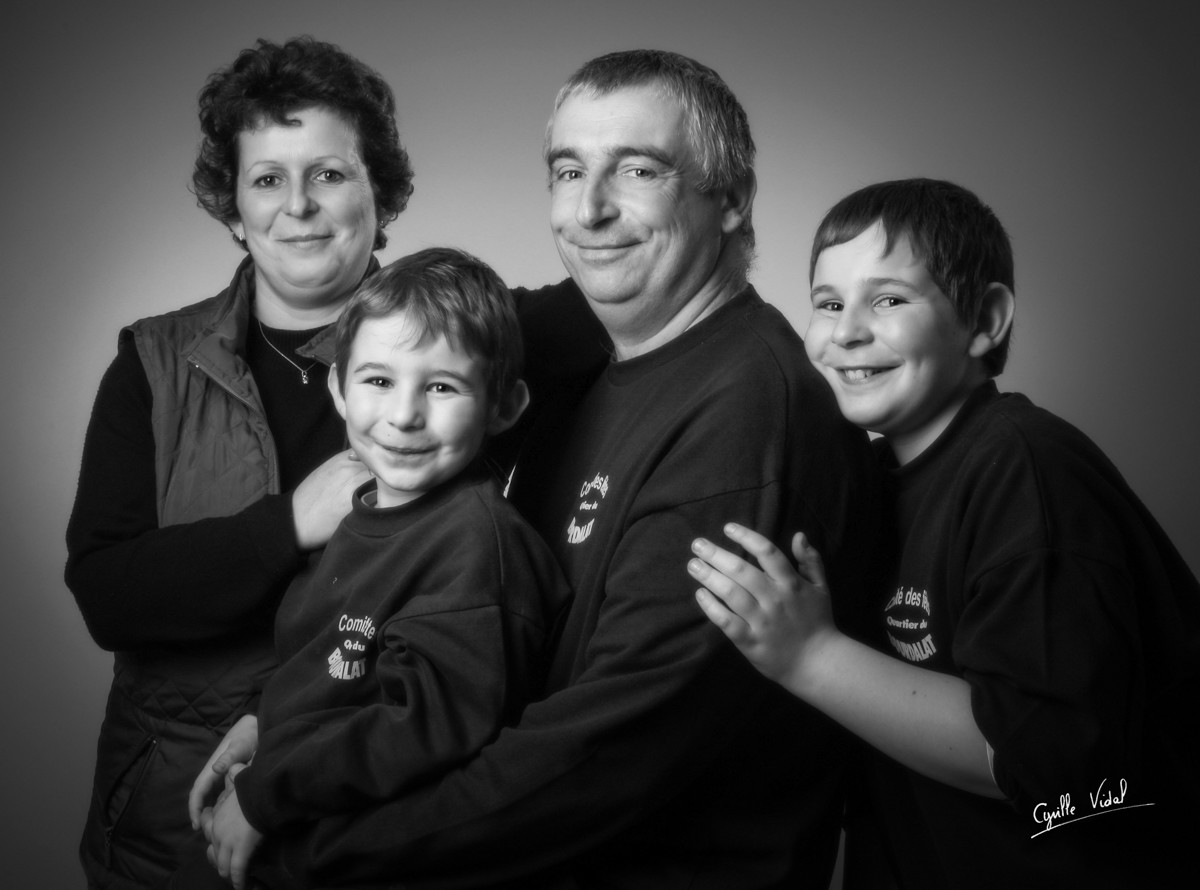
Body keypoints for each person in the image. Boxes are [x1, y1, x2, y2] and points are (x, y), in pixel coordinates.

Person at [199, 49, 882, 889]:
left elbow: (606, 759)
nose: (589, 210)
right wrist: (282, 723)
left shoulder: (744, 419)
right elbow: (438, 621)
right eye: (568, 171)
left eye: (638, 169)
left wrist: (303, 847)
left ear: (732, 198)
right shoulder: (598, 364)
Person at [690, 178, 1200, 888]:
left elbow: (1046, 760)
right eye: (828, 304)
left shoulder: (1026, 470)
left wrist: (810, 656)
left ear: (984, 320)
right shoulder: (866, 478)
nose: (846, 331)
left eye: (889, 300)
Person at [64, 36, 413, 889]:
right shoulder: (152, 364)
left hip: (376, 816)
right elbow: (108, 593)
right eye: (267, 180)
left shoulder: (461, 354)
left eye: (329, 173)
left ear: (380, 192)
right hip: (173, 828)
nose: (298, 205)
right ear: (232, 208)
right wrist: (288, 525)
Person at [180, 248, 568, 890]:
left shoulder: (477, 545)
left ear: (503, 406)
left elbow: (424, 725)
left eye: (442, 387)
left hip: (359, 856)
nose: (404, 414)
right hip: (286, 813)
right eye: (379, 381)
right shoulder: (359, 516)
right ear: (338, 388)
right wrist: (262, 724)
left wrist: (267, 793)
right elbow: (322, 661)